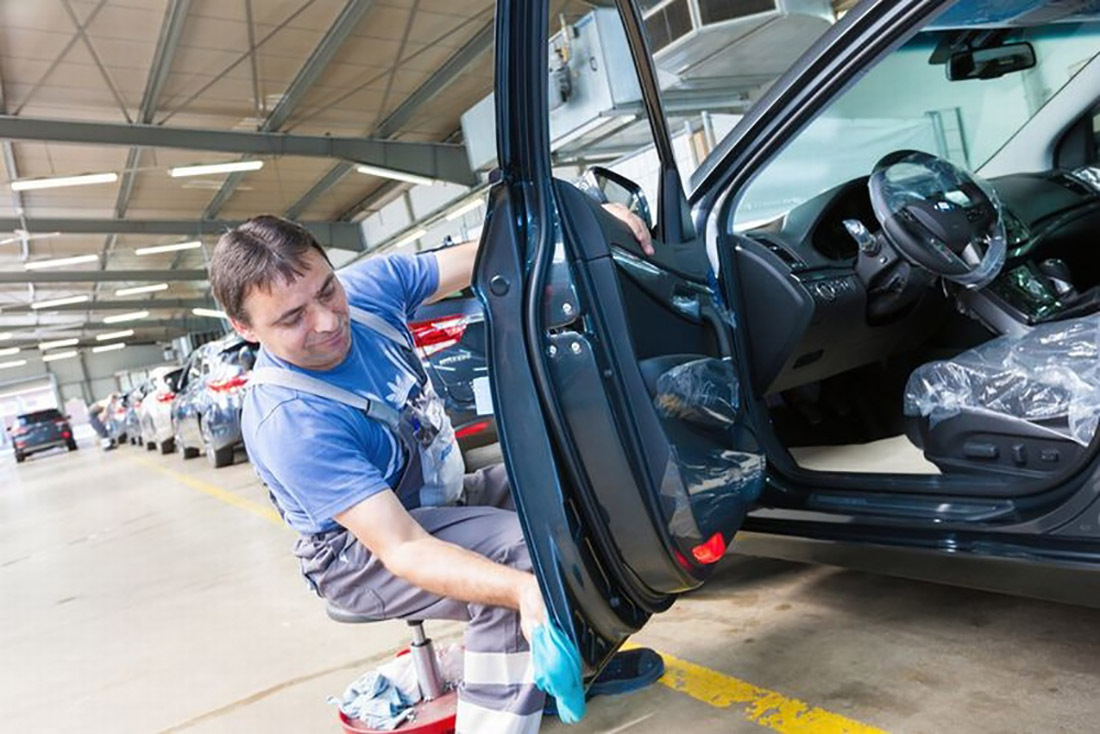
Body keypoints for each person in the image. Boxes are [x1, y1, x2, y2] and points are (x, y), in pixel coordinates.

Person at [210, 209, 660, 734]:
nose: (328, 321)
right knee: (517, 555)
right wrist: (520, 590)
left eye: (327, 291)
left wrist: (580, 217)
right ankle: (494, 723)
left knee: (571, 479)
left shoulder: (368, 292)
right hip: (358, 551)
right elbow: (403, 547)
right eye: (292, 319)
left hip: (434, 496)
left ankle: (577, 662)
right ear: (244, 328)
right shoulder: (291, 421)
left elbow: (487, 254)